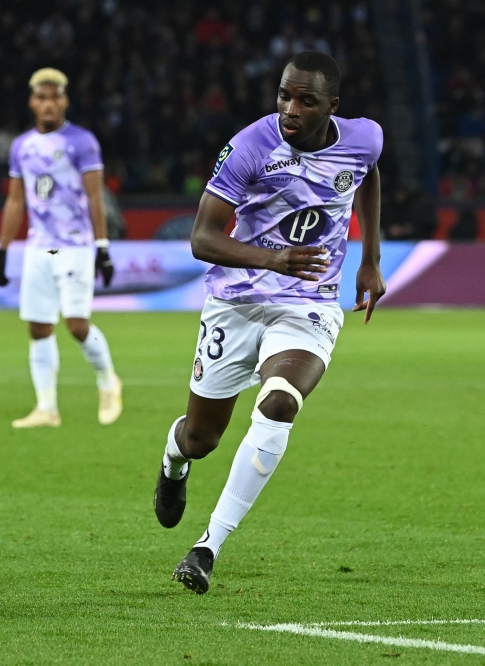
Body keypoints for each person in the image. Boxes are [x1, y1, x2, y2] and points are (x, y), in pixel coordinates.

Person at [154, 51, 386, 594]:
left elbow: (369, 174)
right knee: (201, 438)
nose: (290, 109)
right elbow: (202, 238)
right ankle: (173, 458)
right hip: (235, 301)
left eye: (305, 101)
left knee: (280, 401)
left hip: (308, 303)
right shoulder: (252, 146)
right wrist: (272, 259)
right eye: (284, 95)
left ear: (332, 107)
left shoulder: (364, 137)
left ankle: (207, 546)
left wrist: (370, 259)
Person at [0, 68, 122, 428]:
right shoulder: (22, 146)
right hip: (38, 247)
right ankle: (47, 408)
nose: (48, 104)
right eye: (42, 97)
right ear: (33, 102)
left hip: (76, 245)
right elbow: (16, 201)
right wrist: (3, 250)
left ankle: (108, 380)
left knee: (77, 325)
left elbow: (96, 196)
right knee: (38, 328)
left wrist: (103, 246)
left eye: (55, 97)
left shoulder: (82, 142)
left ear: (64, 101)